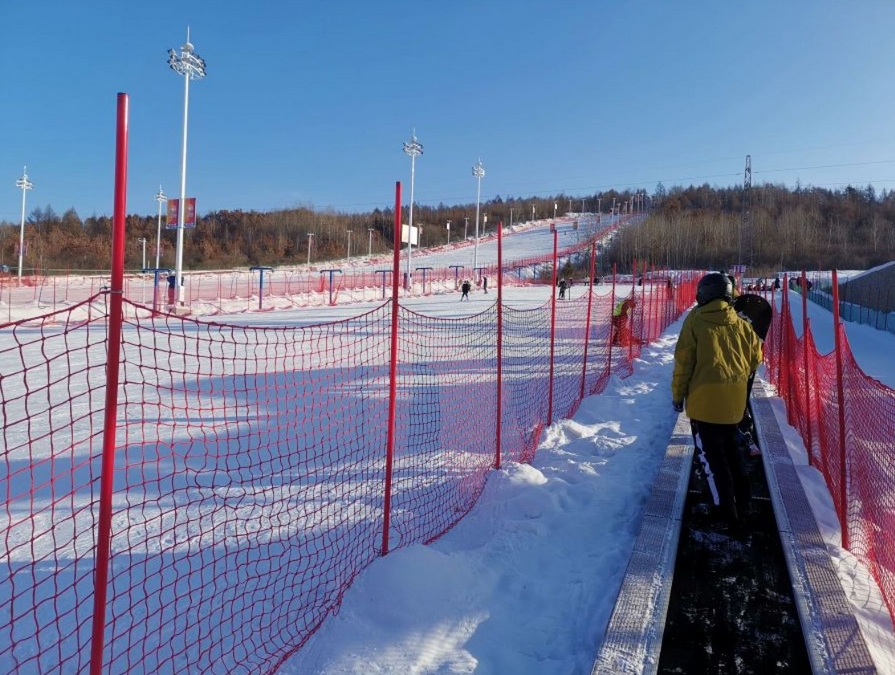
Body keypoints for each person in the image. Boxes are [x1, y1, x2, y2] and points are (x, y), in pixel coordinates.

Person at [672, 272, 763, 529]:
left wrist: (678, 395)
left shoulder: (695, 321)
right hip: (734, 405)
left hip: (704, 405)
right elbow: (756, 358)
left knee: (713, 460)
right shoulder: (741, 324)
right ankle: (743, 504)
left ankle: (725, 512)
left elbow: (684, 363)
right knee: (734, 454)